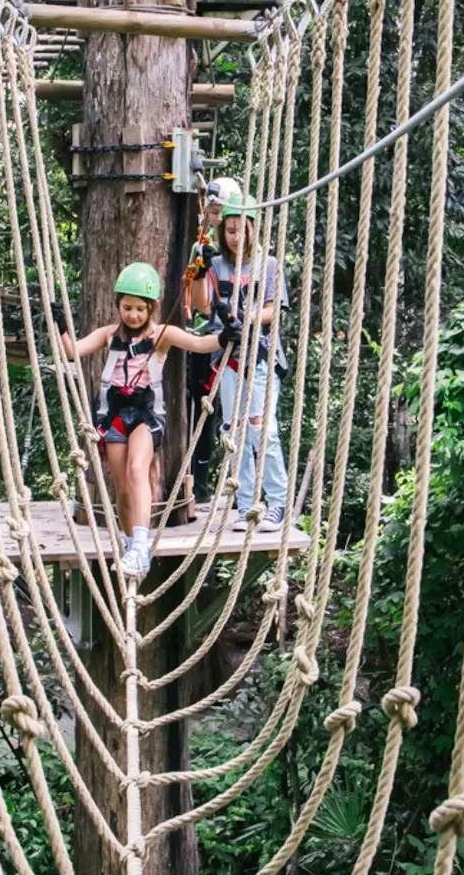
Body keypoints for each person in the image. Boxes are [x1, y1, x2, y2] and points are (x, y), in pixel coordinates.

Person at [54, 261, 238, 577]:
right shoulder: (108, 335)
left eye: (141, 308)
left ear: (151, 308)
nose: (134, 315)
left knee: (138, 468)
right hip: (113, 415)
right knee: (122, 487)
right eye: (127, 308)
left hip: (146, 415)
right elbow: (73, 350)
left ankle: (141, 548)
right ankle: (131, 545)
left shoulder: (161, 335)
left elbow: (197, 343)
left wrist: (224, 338)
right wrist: (60, 326)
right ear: (118, 306)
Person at [192, 191, 289, 532]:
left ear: (253, 228)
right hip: (228, 361)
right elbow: (203, 307)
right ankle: (247, 502)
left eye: (242, 229)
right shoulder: (218, 266)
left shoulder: (269, 264)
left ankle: (277, 500)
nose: (237, 237)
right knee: (233, 431)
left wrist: (245, 319)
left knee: (262, 429)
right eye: (230, 230)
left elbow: (272, 309)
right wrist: (201, 269)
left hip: (260, 357)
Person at [185, 176, 242, 511]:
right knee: (203, 410)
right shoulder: (201, 245)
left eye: (223, 212)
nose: (218, 218)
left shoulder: (248, 253)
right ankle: (201, 484)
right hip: (205, 337)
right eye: (214, 211)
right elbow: (200, 304)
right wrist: (202, 266)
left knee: (235, 413)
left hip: (236, 341)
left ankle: (239, 484)